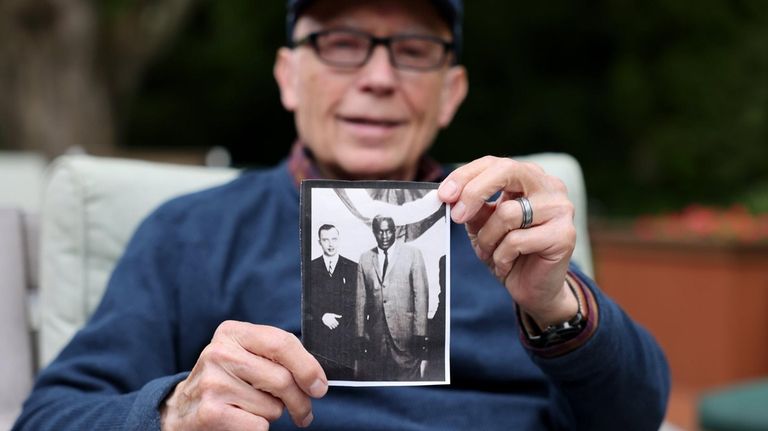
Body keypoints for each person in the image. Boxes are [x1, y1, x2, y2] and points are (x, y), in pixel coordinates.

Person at [13, 0, 671, 430]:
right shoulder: (189, 233)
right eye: (340, 42)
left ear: (452, 93)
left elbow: (638, 413)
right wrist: (170, 410)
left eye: (414, 50)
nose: (379, 77)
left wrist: (559, 304)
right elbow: (49, 415)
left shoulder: (509, 232)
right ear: (288, 76)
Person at [355, 215, 429, 380]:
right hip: (376, 340)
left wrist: (420, 335)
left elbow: (421, 296)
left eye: (388, 231)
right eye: (380, 232)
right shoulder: (365, 258)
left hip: (407, 339)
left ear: (394, 230)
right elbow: (360, 301)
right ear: (374, 233)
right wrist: (360, 335)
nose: (385, 236)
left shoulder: (413, 254)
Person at [306, 224, 358, 379]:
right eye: (325, 240)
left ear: (339, 240)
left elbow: (358, 301)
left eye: (334, 239)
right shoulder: (309, 267)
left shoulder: (353, 267)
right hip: (318, 338)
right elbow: (305, 300)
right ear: (319, 242)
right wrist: (321, 316)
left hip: (345, 339)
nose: (330, 244)